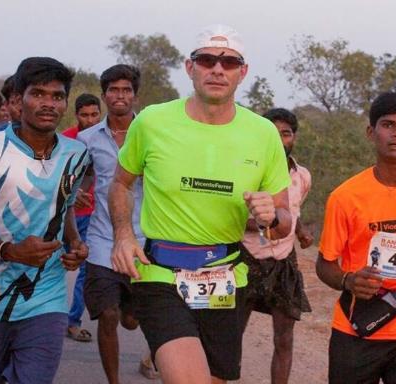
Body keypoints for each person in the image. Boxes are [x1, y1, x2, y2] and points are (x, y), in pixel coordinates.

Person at [108, 24, 292, 384]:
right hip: (161, 272)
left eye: (229, 62)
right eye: (207, 60)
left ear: (243, 72)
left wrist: (271, 216)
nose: (218, 69)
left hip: (225, 278)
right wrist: (123, 235)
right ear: (190, 68)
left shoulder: (263, 133)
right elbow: (120, 183)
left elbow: (284, 220)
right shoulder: (152, 121)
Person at [0, 57, 89, 384]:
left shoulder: (77, 155)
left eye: (57, 96)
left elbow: (66, 206)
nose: (48, 104)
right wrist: (10, 251)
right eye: (39, 94)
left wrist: (75, 243)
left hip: (46, 296)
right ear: (18, 100)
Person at [316, 91, 396, 384]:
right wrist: (349, 281)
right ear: (371, 132)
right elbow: (325, 264)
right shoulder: (345, 197)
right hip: (357, 328)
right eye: (388, 125)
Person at [77, 65, 156, 382]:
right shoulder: (87, 139)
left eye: (126, 90)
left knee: (133, 319)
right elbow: (82, 178)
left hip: (146, 240)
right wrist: (80, 194)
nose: (119, 96)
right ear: (104, 94)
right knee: (107, 315)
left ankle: (133, 316)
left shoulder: (152, 135)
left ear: (135, 95)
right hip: (102, 240)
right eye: (113, 90)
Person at [240, 108, 313, 384]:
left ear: (294, 138)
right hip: (246, 258)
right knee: (232, 334)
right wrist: (265, 223)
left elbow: (294, 210)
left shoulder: (301, 176)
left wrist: (301, 231)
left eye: (286, 133)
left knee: (284, 337)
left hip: (283, 261)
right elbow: (230, 218)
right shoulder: (243, 172)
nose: (280, 139)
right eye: (273, 132)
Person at [61, 93, 102, 342]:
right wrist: (71, 196)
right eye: (84, 115)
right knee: (54, 266)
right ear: (77, 115)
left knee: (86, 272)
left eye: (94, 114)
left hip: (93, 217)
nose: (90, 119)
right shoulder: (65, 140)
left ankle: (72, 321)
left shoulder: (107, 140)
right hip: (63, 216)